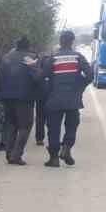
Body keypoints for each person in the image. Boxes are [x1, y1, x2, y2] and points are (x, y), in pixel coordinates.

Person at [39, 29, 95, 167]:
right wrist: (78, 85)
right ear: (72, 41)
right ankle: (66, 148)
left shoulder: (53, 58)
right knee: (71, 126)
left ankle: (54, 159)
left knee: (53, 129)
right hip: (73, 100)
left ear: (60, 41)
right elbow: (90, 75)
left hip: (54, 100)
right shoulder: (78, 57)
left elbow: (42, 76)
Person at [0, 36, 40, 166]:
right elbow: (37, 78)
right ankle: (16, 155)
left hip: (7, 98)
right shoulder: (31, 58)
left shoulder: (6, 58)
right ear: (28, 46)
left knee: (11, 125)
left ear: (16, 45)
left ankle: (9, 154)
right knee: (25, 126)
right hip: (25, 98)